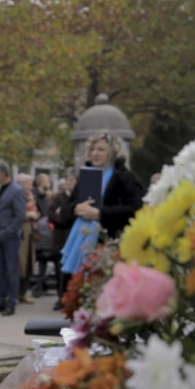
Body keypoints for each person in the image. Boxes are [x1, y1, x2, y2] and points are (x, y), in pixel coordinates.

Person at [60, 130, 144, 276]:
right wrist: (75, 209)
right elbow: (64, 210)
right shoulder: (86, 177)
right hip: (81, 247)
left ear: (113, 152)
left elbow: (136, 210)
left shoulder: (125, 177)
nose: (95, 153)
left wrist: (100, 213)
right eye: (92, 149)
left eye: (101, 149)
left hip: (112, 249)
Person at [0, 161, 26, 316]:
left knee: (11, 270)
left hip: (10, 238)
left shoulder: (17, 191)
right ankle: (0, 301)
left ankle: (11, 302)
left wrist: (8, 231)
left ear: (3, 174)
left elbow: (19, 215)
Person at [47, 169, 77, 310]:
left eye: (71, 180)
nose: (68, 183)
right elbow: (51, 215)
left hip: (73, 237)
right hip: (60, 238)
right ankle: (61, 297)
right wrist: (64, 217)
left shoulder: (79, 198)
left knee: (72, 272)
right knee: (60, 270)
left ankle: (71, 298)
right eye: (67, 180)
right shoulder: (57, 198)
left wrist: (64, 214)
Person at [15, 173, 38, 305]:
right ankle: (16, 293)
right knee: (20, 264)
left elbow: (37, 210)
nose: (30, 186)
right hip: (20, 233)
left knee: (29, 262)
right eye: (28, 183)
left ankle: (23, 293)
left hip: (30, 232)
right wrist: (29, 214)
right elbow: (15, 213)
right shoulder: (16, 194)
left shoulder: (30, 196)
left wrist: (35, 214)